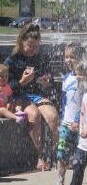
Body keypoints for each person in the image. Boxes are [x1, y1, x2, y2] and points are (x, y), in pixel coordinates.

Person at [4, 22, 59, 171]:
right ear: (22, 42)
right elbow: (5, 89)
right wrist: (21, 82)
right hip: (19, 97)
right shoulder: (12, 60)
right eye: (30, 46)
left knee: (53, 117)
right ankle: (40, 156)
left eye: (36, 47)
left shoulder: (41, 58)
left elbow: (51, 79)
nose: (32, 50)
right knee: (34, 116)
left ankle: (58, 155)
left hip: (37, 95)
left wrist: (48, 81)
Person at [43, 43, 86, 185]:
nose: (68, 60)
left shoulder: (86, 79)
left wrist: (78, 119)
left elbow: (86, 102)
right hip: (67, 125)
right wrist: (62, 118)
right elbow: (64, 101)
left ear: (81, 58)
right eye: (66, 56)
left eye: (72, 57)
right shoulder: (67, 78)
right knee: (61, 155)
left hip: (82, 125)